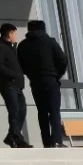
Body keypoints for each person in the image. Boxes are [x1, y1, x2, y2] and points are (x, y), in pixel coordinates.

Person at [18, 19, 69, 147]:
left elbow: (21, 65)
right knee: (54, 110)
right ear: (43, 29)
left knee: (42, 112)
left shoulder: (23, 45)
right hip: (50, 79)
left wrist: (30, 75)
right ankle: (56, 140)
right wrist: (57, 74)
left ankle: (46, 142)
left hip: (35, 81)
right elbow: (62, 60)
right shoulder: (49, 41)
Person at [0, 23, 31, 148]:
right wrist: (13, 74)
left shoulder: (12, 48)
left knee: (21, 111)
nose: (15, 36)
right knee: (14, 111)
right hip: (8, 85)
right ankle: (17, 138)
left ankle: (12, 136)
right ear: (9, 34)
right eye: (14, 33)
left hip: (17, 86)